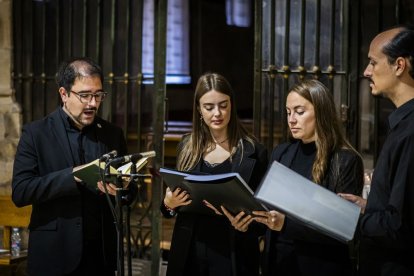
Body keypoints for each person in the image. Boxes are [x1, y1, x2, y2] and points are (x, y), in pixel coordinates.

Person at [12, 57, 135, 276]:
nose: (93, 103)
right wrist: (73, 176)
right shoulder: (36, 134)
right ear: (64, 94)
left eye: (98, 95)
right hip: (54, 255)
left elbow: (129, 192)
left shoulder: (112, 134)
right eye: (85, 95)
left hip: (100, 256)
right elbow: (21, 191)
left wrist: (123, 188)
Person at [160, 72, 268, 276]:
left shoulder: (255, 151)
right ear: (199, 109)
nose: (217, 113)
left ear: (232, 105)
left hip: (233, 251)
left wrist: (246, 225)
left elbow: (264, 218)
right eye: (209, 107)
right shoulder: (186, 146)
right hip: (190, 249)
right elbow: (168, 207)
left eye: (223, 105)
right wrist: (169, 204)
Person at [253, 79, 364, 276]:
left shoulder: (345, 160)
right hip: (278, 262)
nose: (291, 119)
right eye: (288, 112)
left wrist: (285, 224)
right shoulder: (282, 152)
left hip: (320, 266)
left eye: (299, 111)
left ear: (321, 112)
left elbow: (343, 229)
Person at [338, 26, 414, 276]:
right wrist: (367, 206)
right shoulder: (402, 124)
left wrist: (344, 217)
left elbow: (398, 227)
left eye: (373, 62)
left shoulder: (410, 131)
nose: (366, 71)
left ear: (399, 65)